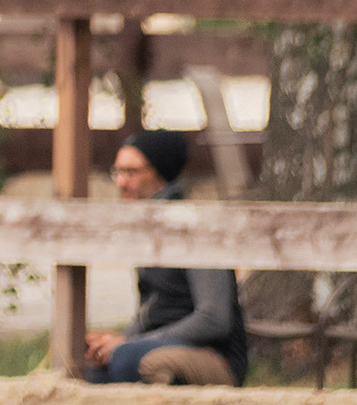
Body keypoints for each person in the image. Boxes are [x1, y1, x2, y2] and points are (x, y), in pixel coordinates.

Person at [83, 129, 247, 386]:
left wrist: (129, 344)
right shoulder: (150, 228)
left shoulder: (195, 228)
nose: (120, 182)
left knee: (126, 358)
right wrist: (113, 342)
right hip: (158, 344)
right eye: (117, 172)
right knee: (93, 366)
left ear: (159, 171)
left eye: (131, 172)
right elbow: (153, 310)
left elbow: (214, 319)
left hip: (213, 356)